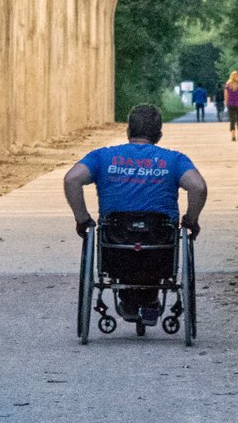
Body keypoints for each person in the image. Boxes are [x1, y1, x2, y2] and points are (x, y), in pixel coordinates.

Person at [62, 104, 208, 325]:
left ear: (128, 131)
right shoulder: (174, 160)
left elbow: (72, 179)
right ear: (159, 135)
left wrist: (82, 219)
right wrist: (191, 220)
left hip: (115, 242)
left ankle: (129, 301)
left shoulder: (103, 157)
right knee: (155, 254)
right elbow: (198, 187)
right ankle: (149, 301)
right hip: (159, 244)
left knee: (122, 255)